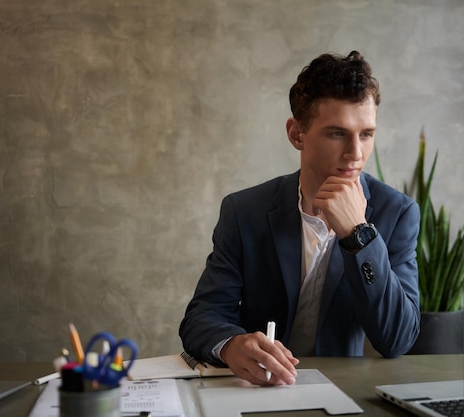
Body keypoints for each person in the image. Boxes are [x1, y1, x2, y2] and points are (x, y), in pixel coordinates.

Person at [179, 50, 420, 386]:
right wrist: (232, 345)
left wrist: (357, 234)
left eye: (366, 134)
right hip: (256, 389)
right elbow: (202, 316)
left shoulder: (397, 213)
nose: (355, 153)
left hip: (344, 391)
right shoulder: (244, 211)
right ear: (296, 134)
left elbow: (398, 338)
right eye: (337, 133)